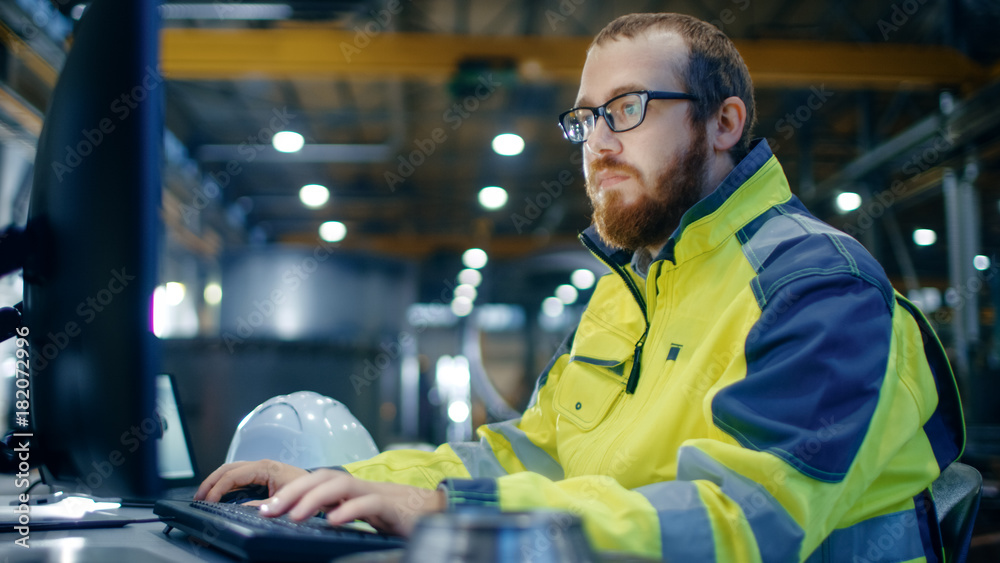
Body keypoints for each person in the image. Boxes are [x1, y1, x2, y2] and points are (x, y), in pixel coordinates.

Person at [197, 12, 965, 561]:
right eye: (586, 119)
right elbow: (526, 456)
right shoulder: (620, 297)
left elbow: (746, 522)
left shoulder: (818, 289)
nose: (597, 143)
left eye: (627, 109)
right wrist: (342, 483)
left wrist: (444, 511)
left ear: (724, 122)